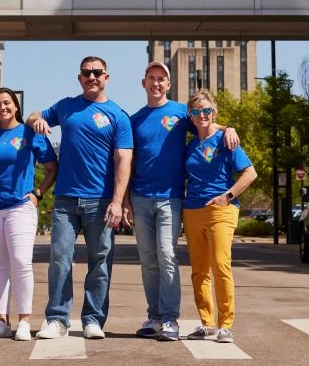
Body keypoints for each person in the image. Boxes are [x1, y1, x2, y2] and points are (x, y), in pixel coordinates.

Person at [127, 61, 238, 342]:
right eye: (151, 78)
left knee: (166, 255)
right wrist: (125, 199)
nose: (156, 83)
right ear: (144, 83)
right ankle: (153, 317)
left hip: (171, 198)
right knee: (148, 260)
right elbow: (127, 162)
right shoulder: (134, 119)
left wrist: (229, 128)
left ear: (169, 84)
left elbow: (206, 121)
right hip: (140, 197)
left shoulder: (180, 113)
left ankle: (169, 320)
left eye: (161, 79)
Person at [27, 56, 133, 340]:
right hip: (65, 201)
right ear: (80, 77)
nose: (92, 77)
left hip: (100, 201)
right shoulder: (66, 106)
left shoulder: (117, 115)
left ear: (106, 77)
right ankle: (57, 319)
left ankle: (93, 319)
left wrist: (117, 200)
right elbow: (34, 115)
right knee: (60, 258)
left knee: (100, 260)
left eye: (97, 72)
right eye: (87, 72)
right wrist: (36, 120)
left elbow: (124, 159)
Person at [0, 88, 58, 341]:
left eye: (7, 103)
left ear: (16, 106)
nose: (3, 107)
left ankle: (24, 320)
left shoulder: (30, 133)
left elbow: (52, 168)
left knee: (21, 262)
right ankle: (2, 321)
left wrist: (38, 194)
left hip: (20, 207)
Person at [182, 89, 257, 344]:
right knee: (199, 270)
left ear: (213, 112)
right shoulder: (190, 145)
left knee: (220, 265)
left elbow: (250, 173)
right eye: (195, 111)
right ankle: (207, 324)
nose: (201, 115)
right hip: (192, 210)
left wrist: (228, 195)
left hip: (221, 210)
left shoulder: (227, 140)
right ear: (190, 116)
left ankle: (225, 325)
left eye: (206, 110)